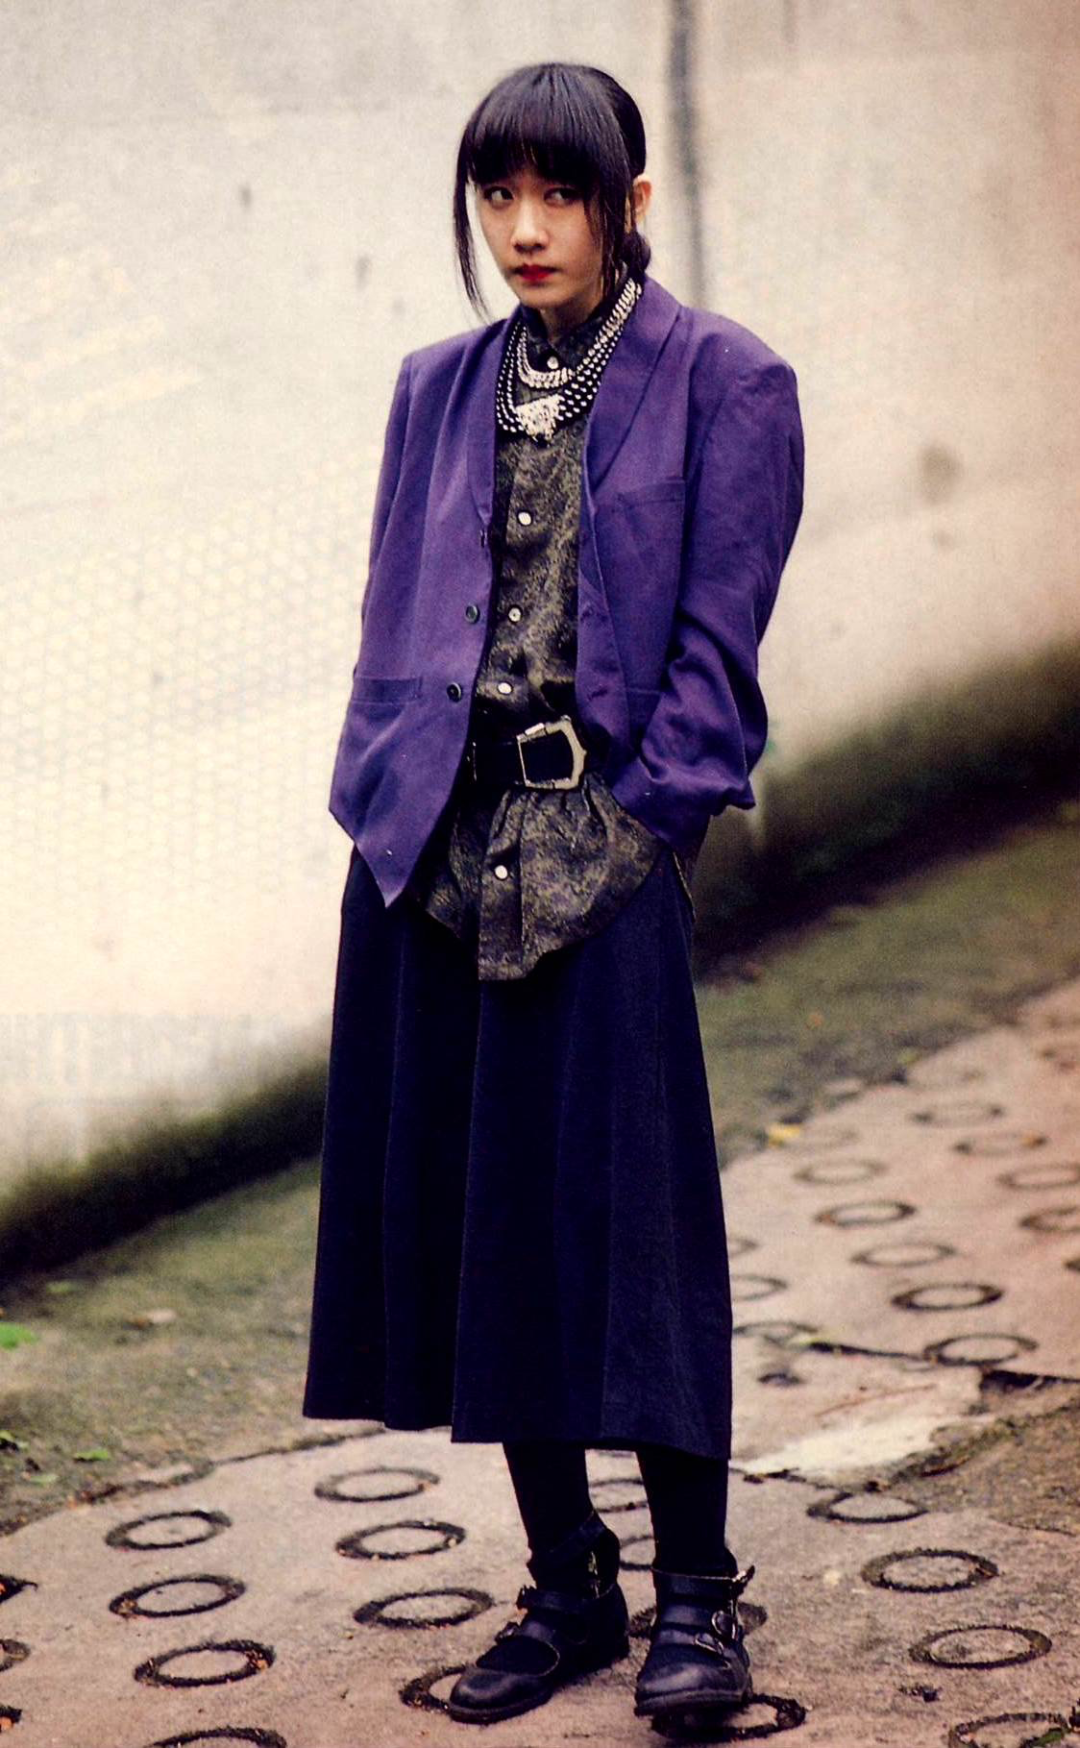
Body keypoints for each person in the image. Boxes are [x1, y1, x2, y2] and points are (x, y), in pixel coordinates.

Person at [302, 60, 804, 1730]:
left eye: (561, 194)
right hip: (437, 853)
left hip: (607, 848)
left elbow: (719, 661)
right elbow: (395, 615)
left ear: (628, 204)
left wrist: (640, 830)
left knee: (636, 1229)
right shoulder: (435, 390)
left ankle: (699, 1598)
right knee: (483, 1219)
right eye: (499, 194)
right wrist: (382, 797)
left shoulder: (725, 384)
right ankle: (569, 1584)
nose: (525, 227)